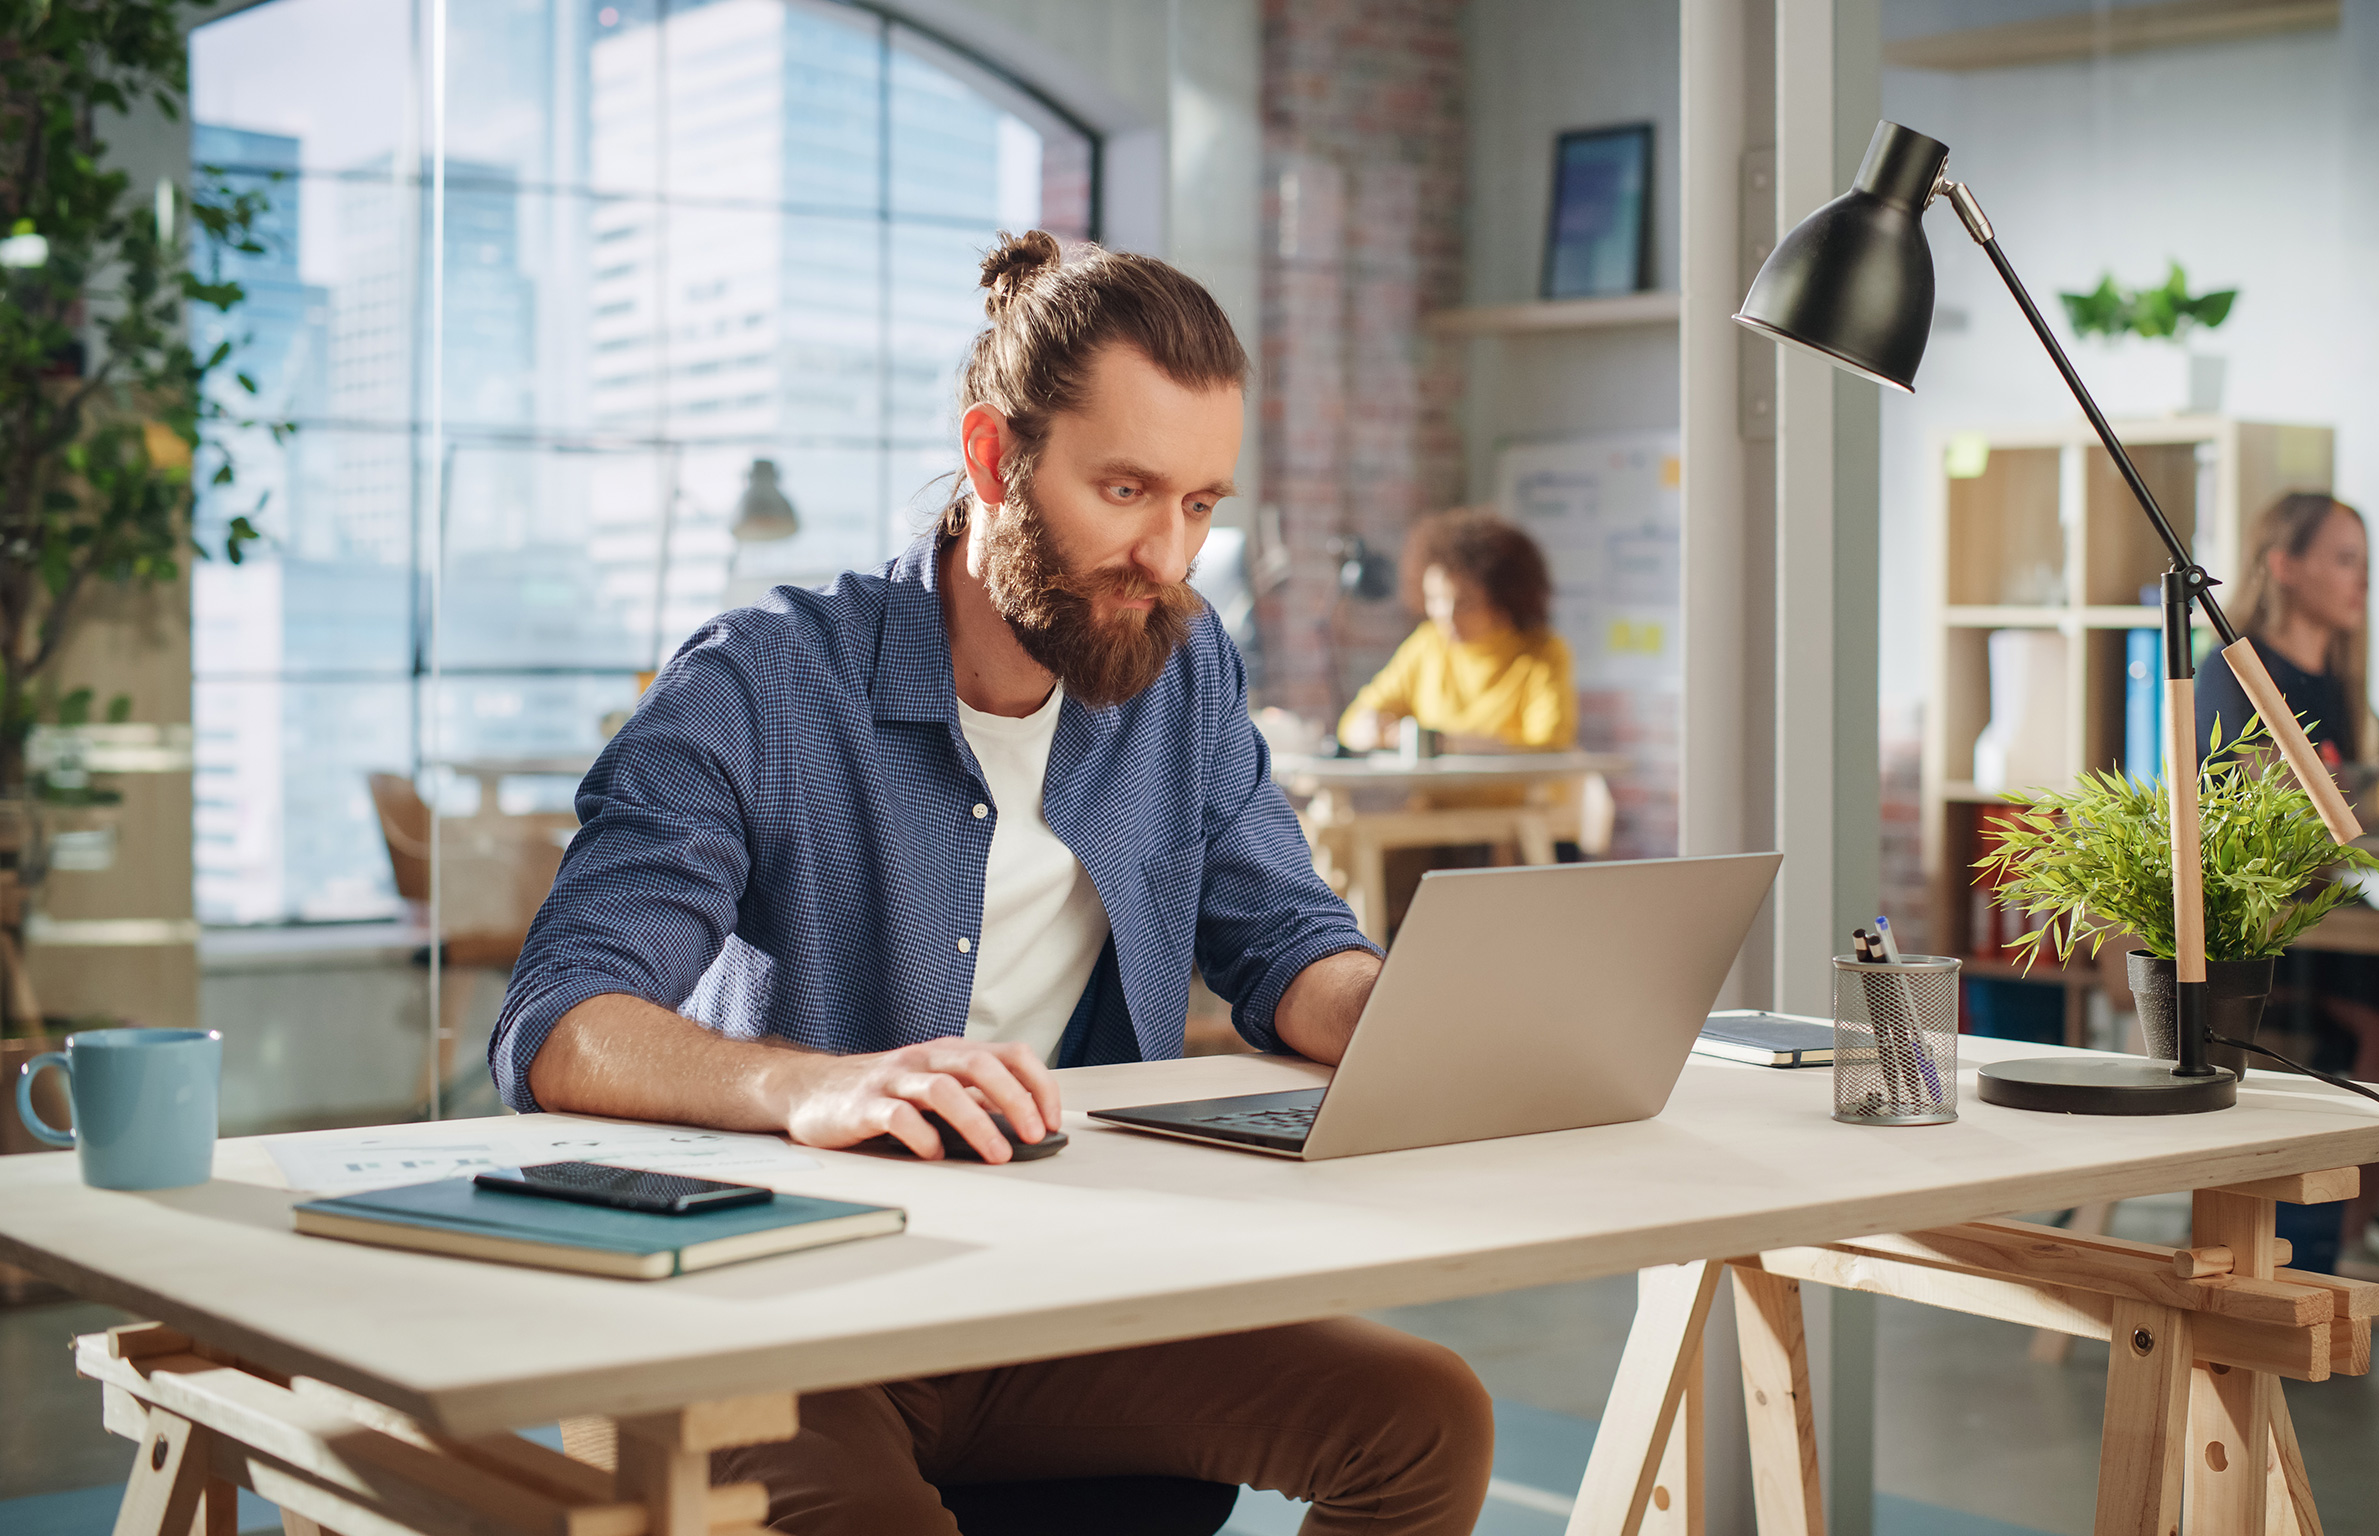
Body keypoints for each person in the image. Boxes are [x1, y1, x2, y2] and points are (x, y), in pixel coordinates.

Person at [491, 231, 1492, 1535]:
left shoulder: (1179, 676)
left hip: (1048, 1287)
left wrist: (1394, 1015)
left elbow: (1285, 937)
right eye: (1127, 488)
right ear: (990, 460)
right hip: (780, 1312)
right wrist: (820, 1087)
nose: (1169, 556)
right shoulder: (761, 682)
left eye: (1200, 505)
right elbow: (560, 1014)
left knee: (1424, 1423)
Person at [2192, 491, 2379, 1259]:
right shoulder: (2236, 671)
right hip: (2265, 924)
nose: (2363, 583)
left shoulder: (2345, 689)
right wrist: (2368, 787)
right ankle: (2345, 1240)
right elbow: (2267, 801)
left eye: (2365, 564)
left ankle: (2368, 1231)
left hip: (2334, 907)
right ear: (2284, 566)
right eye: (2345, 561)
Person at [1336, 509, 1574, 753]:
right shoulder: (1428, 645)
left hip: (1518, 793)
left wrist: (1441, 744)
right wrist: (1374, 729)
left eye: (1464, 603)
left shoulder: (1542, 653)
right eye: (1435, 598)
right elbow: (1351, 724)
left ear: (1504, 601)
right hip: (1430, 794)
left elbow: (1550, 747)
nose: (1445, 616)